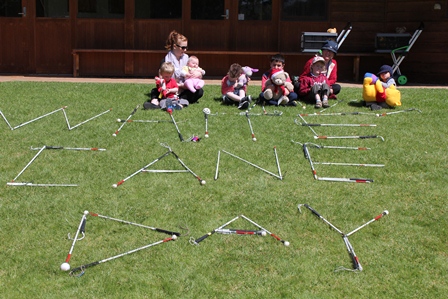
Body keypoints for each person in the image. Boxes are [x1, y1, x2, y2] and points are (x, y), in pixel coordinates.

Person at [146, 30, 203, 108]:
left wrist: (198, 73)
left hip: (184, 88)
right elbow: (161, 79)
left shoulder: (187, 59)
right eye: (183, 48)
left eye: (186, 47)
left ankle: (179, 102)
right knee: (155, 91)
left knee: (199, 91)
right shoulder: (166, 61)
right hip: (169, 88)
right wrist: (175, 86)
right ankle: (154, 103)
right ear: (175, 46)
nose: (185, 50)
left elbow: (197, 70)